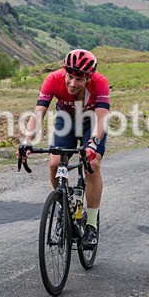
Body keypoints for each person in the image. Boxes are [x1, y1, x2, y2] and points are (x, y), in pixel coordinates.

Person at [18, 49, 110, 248]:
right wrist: (27, 141)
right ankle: (64, 204)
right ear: (64, 72)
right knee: (54, 164)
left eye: (79, 79)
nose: (73, 83)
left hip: (91, 121)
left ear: (89, 78)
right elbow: (39, 113)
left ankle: (91, 224)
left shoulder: (100, 82)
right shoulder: (53, 79)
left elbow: (102, 118)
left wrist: (93, 144)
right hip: (66, 120)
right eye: (70, 77)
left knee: (92, 164)